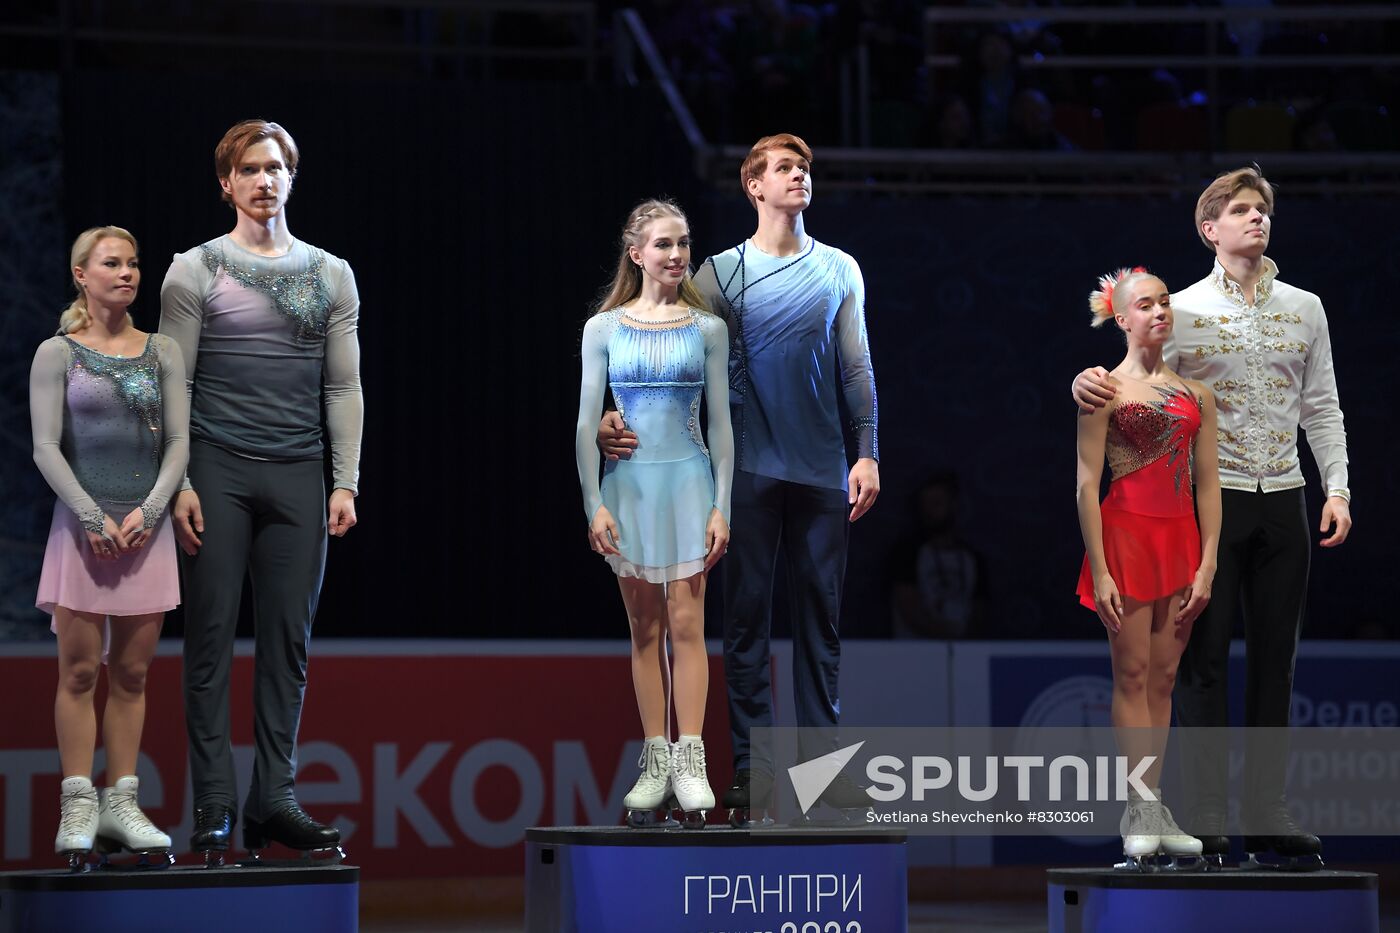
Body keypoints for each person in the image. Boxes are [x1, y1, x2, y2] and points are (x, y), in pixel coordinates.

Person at [1072, 168, 1350, 869]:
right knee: (1197, 660)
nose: (1257, 219)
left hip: (1285, 493)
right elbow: (1134, 371)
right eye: (1242, 209)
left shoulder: (1306, 306)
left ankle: (1267, 810)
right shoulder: (1183, 308)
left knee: (1275, 661)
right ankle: (1201, 812)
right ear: (1210, 228)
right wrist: (1085, 380)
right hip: (1209, 499)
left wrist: (1337, 488)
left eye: (1264, 209)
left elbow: (1322, 405)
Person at [600, 133, 879, 826]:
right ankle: (752, 768)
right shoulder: (720, 275)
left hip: (820, 474)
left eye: (805, 168)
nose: (798, 177)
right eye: (784, 168)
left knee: (822, 622)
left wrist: (867, 450)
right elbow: (669, 356)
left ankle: (823, 773)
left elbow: (856, 368)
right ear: (753, 186)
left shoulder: (841, 268)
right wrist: (615, 417)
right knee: (746, 623)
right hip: (744, 473)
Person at [160, 119, 363, 865]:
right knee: (210, 640)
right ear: (227, 183)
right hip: (216, 468)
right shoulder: (194, 269)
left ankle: (271, 796)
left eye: (276, 166)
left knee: (289, 644)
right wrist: (178, 478)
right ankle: (214, 801)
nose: (264, 179)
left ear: (291, 176)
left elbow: (343, 384)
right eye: (249, 168)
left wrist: (345, 479)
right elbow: (171, 382)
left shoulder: (331, 273)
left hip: (299, 474)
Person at [32, 226, 188, 868]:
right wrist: (91, 515)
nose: (127, 273)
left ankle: (121, 802)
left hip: (144, 535)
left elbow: (179, 443)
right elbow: (45, 446)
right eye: (112, 263)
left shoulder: (164, 352)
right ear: (81, 274)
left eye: (133, 263)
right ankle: (77, 804)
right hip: (82, 529)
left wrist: (151, 513)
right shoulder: (56, 353)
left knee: (130, 674)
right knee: (76, 672)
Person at [575, 199, 732, 828]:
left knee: (688, 624)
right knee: (645, 629)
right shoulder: (603, 329)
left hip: (690, 485)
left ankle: (691, 759)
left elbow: (721, 426)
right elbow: (587, 422)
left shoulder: (708, 328)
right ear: (635, 253)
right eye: (663, 245)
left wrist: (723, 503)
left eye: (683, 243)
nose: (675, 255)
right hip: (630, 489)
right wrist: (593, 503)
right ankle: (656, 760)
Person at [1075, 268, 1219, 870]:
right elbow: (1086, 482)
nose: (1159, 310)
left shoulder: (1199, 396)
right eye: (1145, 304)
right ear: (1121, 317)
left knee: (1164, 680)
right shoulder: (1101, 388)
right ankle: (1136, 804)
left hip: (1180, 541)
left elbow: (1208, 483)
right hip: (1127, 537)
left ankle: (1153, 804)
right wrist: (1102, 569)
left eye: (1164, 302)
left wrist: (1209, 562)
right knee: (1132, 674)